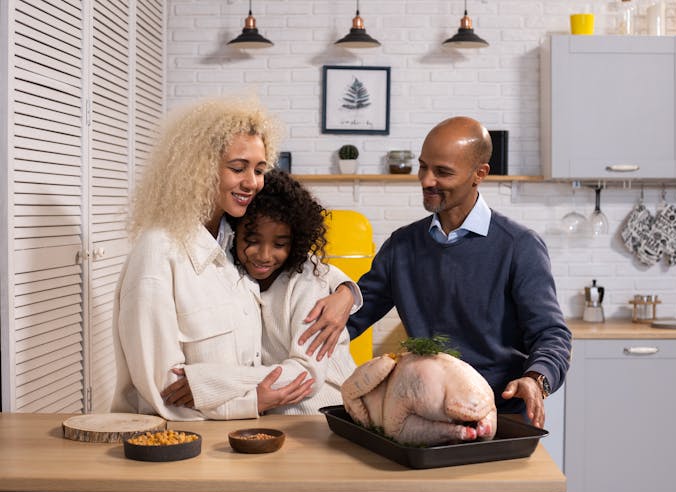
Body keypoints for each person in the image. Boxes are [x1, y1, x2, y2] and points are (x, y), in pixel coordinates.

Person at [111, 95, 356, 420]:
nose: (253, 182)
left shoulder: (233, 240)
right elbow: (164, 389)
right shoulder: (158, 252)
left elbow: (301, 266)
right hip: (181, 444)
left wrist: (346, 291)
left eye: (259, 169)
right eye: (237, 168)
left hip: (243, 441)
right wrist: (252, 402)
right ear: (197, 168)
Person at [341, 116, 572, 428]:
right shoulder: (402, 245)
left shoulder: (519, 246)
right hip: (424, 416)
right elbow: (352, 315)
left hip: (502, 415)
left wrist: (535, 379)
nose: (426, 180)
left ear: (479, 174)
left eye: (442, 172)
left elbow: (551, 334)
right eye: (423, 167)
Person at [229, 170, 357, 414]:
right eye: (253, 240)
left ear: (295, 242)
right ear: (234, 232)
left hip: (324, 409)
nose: (265, 256)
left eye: (279, 245)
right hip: (269, 407)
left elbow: (307, 374)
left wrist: (217, 383)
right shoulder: (235, 273)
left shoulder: (308, 282)